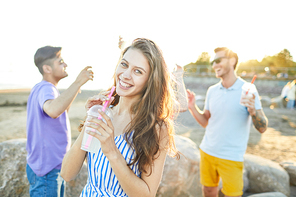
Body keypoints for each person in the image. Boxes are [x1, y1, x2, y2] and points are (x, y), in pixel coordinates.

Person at [60, 38, 181, 196]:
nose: (125, 75)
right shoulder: (103, 113)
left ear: (150, 81)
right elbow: (66, 173)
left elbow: (147, 194)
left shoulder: (156, 128)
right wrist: (92, 119)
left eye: (138, 71)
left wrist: (112, 151)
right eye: (124, 64)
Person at [186, 47, 268, 197]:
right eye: (213, 62)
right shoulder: (212, 90)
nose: (214, 65)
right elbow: (205, 122)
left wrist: (253, 112)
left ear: (232, 61)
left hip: (231, 156)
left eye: (218, 60)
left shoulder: (248, 90)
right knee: (208, 190)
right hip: (207, 151)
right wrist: (192, 107)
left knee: (233, 194)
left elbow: (262, 127)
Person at [26, 46, 94, 197]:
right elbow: (53, 110)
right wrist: (77, 83)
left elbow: (59, 112)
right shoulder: (46, 88)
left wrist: (74, 90)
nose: (65, 65)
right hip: (47, 170)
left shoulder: (44, 89)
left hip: (52, 167)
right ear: (47, 68)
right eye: (60, 61)